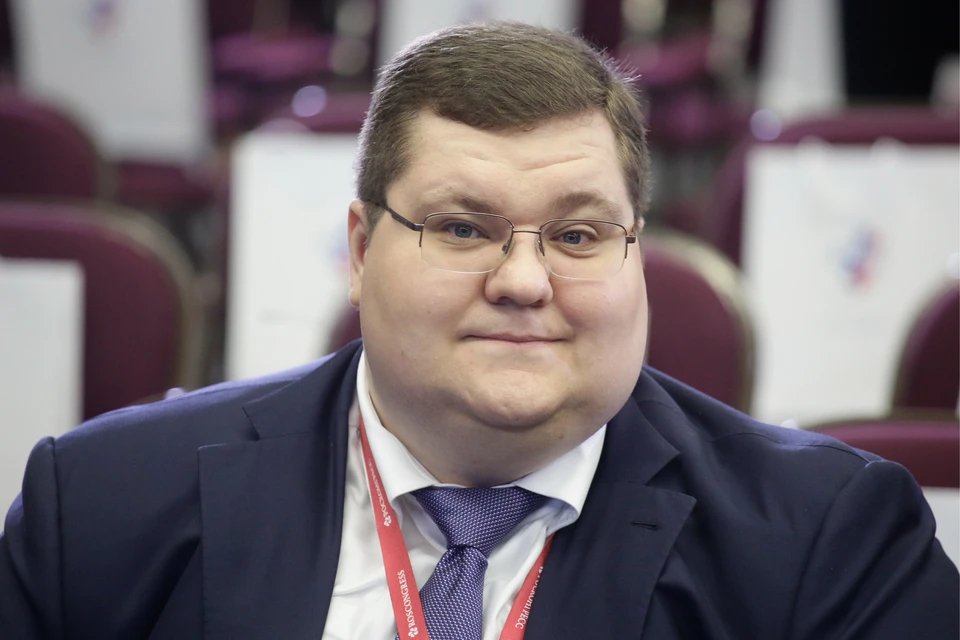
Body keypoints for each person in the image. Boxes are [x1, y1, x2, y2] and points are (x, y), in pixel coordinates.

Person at [1, 22, 957, 640]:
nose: (524, 282)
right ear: (361, 249)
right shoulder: (99, 507)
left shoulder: (827, 541)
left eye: (578, 236)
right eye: (463, 229)